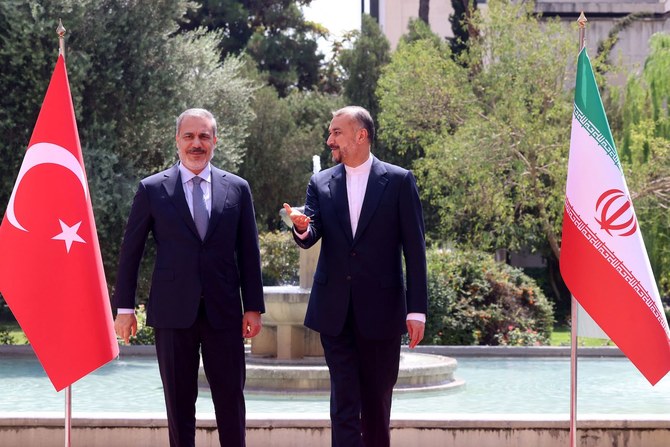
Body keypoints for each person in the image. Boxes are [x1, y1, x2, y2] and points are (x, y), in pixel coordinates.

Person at [112, 108, 264, 447]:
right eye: (189, 136)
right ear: (177, 141)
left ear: (215, 141)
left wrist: (253, 306)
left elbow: (249, 252)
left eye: (204, 136)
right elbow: (131, 251)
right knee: (179, 405)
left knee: (230, 401)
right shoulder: (152, 189)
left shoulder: (238, 189)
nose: (197, 144)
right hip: (172, 313)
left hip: (224, 314)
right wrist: (124, 308)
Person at [283, 105, 428, 447]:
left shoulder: (398, 180)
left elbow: (415, 249)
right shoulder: (320, 182)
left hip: (383, 312)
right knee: (344, 404)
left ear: (361, 135)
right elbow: (312, 233)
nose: (329, 139)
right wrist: (302, 228)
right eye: (330, 132)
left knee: (377, 405)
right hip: (335, 313)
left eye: (337, 132)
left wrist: (417, 310)